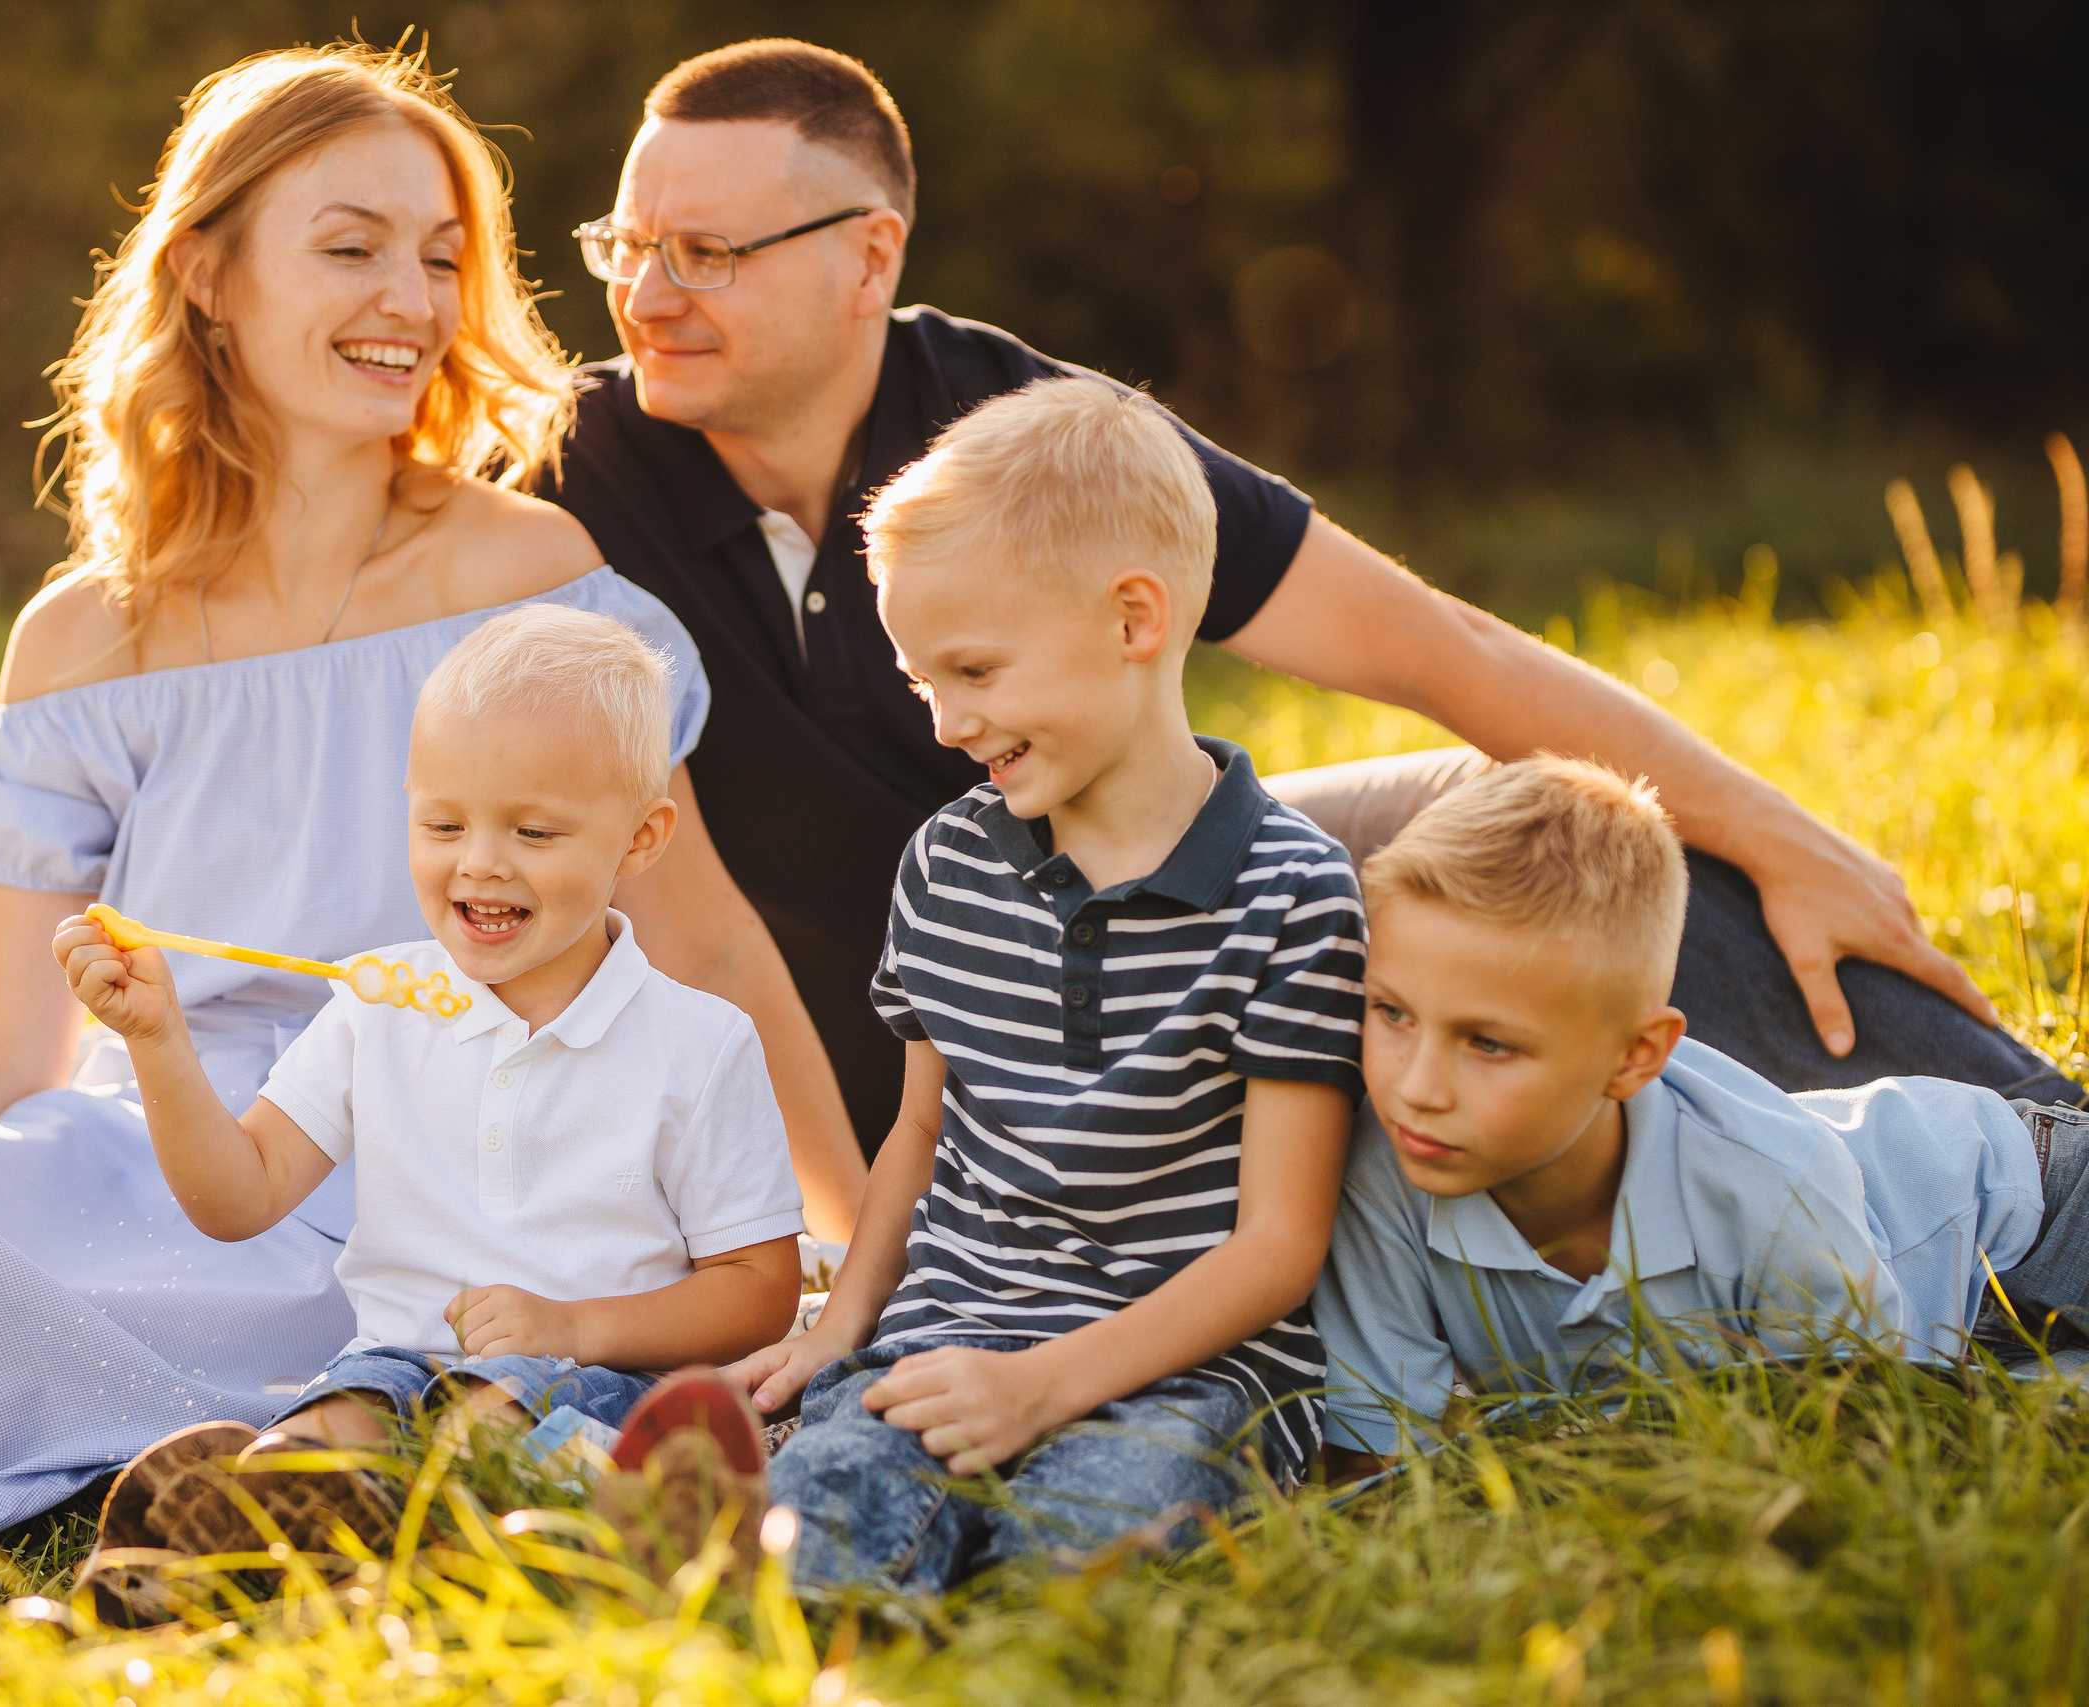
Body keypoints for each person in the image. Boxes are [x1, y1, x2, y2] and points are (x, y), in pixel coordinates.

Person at [0, 41, 857, 1575]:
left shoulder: (528, 579)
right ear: (210, 274)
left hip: (354, 1220)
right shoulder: (90, 638)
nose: (413, 302)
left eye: (440, 259)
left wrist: (833, 1266)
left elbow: (705, 949)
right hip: (123, 1147)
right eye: (350, 248)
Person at [548, 38, 2077, 1159]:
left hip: (1161, 939)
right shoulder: (563, 476)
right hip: (870, 1088)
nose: (648, 294)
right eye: (631, 245)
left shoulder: (1025, 427)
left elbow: (1442, 649)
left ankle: (2038, 1146)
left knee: (1572, 813)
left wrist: (1778, 832)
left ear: (869, 257)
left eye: (708, 251)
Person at [729, 379, 1364, 1593]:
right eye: (923, 686)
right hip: (945, 1339)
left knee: (1087, 1556)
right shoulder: (948, 863)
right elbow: (921, 1126)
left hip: (1188, 1379)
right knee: (815, 1526)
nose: (946, 724)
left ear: (1133, 618)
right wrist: (841, 1324)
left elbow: (1278, 1247)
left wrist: (1043, 1388)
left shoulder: (1293, 894)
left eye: (972, 671)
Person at [48, 605, 803, 1567]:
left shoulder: (698, 1043)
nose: (479, 860)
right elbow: (237, 1198)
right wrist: (156, 1039)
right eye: (442, 822)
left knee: (492, 1428)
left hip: (602, 1375)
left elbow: (760, 1289)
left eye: (533, 830)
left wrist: (574, 1326)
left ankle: (583, 1529)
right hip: (396, 1364)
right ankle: (245, 1531)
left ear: (641, 839)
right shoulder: (380, 1004)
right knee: (337, 1426)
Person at [1312, 757, 2089, 1478]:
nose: (1416, 1086)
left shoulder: (1765, 1183)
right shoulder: (1384, 1174)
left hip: (2023, 1215)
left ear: (1635, 1056)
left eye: (1486, 1043)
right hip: (1931, 1343)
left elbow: (1872, 1436)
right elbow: (1374, 1468)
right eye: (1392, 1012)